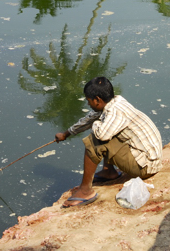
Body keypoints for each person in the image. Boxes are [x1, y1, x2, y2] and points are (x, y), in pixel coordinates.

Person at [55, 76, 162, 208]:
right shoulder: (115, 101)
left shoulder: (115, 112)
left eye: (89, 101)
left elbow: (100, 134)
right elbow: (89, 118)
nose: (88, 104)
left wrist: (96, 123)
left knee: (95, 140)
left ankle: (85, 191)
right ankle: (108, 171)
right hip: (149, 158)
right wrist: (66, 133)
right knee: (106, 130)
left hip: (145, 167)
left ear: (97, 100)